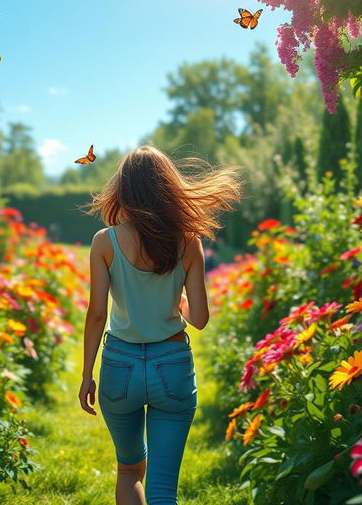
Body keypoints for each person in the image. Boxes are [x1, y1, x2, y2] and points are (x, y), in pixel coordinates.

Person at [78, 146, 241, 505]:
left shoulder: (105, 242)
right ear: (168, 187)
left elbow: (96, 314)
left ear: (124, 189)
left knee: (129, 471)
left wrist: (87, 374)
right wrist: (178, 302)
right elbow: (198, 318)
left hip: (120, 368)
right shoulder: (188, 241)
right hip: (173, 366)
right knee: (164, 490)